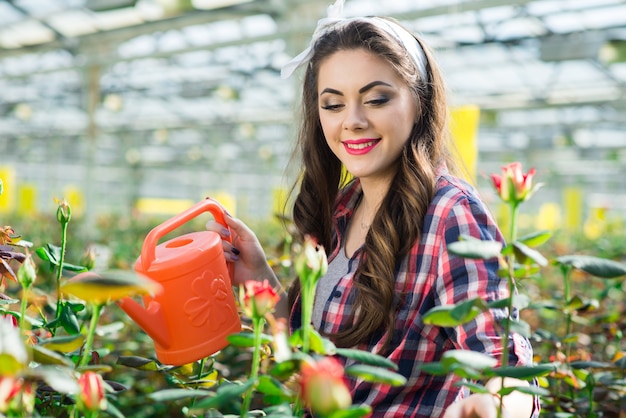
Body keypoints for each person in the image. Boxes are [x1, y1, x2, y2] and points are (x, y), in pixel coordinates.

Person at [207, 1, 537, 416]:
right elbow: (309, 361)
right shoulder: (343, 208)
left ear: (419, 102)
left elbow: (505, 363)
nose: (353, 120)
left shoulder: (449, 212)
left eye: (377, 99)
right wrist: (257, 277)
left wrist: (495, 405)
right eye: (333, 104)